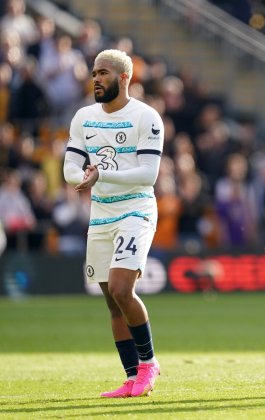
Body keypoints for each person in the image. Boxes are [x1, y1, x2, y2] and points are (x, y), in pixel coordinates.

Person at [63, 49, 163, 398]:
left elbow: (149, 175)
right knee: (111, 300)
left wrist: (101, 172)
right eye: (94, 73)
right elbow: (70, 166)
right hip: (101, 213)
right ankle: (132, 375)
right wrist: (84, 177)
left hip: (136, 211)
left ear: (124, 78)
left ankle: (150, 365)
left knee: (123, 289)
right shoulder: (84, 117)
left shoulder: (146, 117)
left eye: (103, 73)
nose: (96, 79)